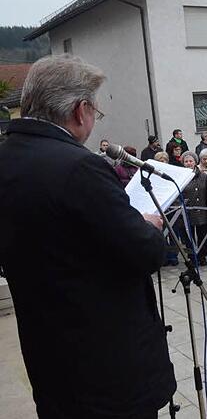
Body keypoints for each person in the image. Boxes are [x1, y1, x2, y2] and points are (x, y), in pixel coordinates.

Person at [0, 54, 175, 418]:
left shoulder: (7, 159)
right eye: (96, 110)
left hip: (48, 358)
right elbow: (146, 253)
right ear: (81, 110)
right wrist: (149, 225)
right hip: (106, 373)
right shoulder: (80, 167)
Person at [180, 151, 207, 266]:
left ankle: (202, 256)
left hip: (202, 210)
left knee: (202, 234)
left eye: (190, 161)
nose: (188, 163)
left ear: (195, 162)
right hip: (187, 211)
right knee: (189, 236)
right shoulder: (181, 177)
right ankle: (192, 256)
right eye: (186, 161)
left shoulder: (203, 176)